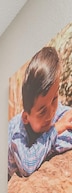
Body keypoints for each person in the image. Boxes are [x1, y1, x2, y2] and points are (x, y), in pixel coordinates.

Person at [8, 46, 72, 180]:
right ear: (26, 117)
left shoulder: (55, 111)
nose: (51, 113)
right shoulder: (17, 133)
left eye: (54, 99)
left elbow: (66, 120)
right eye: (42, 111)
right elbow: (28, 166)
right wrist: (55, 130)